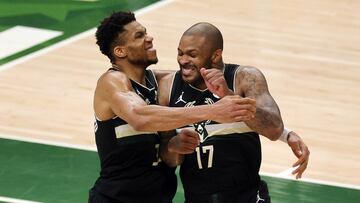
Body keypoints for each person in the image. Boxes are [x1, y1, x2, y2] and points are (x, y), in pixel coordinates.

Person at [89, 12, 257, 203]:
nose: (149, 38)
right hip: (116, 199)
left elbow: (203, 79)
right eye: (139, 36)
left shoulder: (160, 82)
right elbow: (140, 117)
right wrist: (213, 111)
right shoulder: (112, 81)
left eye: (146, 33)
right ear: (120, 51)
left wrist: (285, 134)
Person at [158, 22, 310, 203]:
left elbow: (274, 128)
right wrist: (173, 147)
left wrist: (228, 96)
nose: (183, 60)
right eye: (180, 53)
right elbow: (169, 159)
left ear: (215, 55)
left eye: (192, 54)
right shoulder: (168, 86)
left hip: (247, 197)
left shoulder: (244, 78)